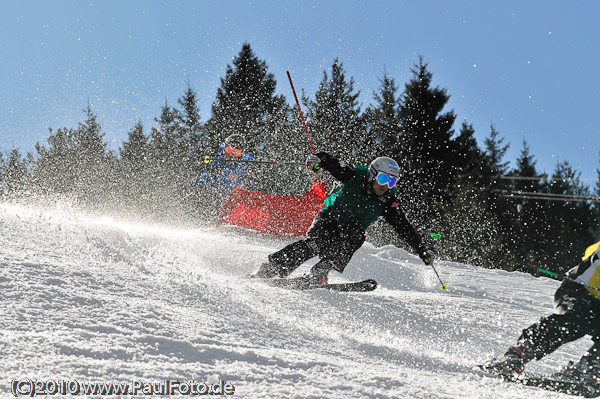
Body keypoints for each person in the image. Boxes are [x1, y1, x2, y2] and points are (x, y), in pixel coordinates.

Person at [250, 152, 435, 284]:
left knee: (357, 236)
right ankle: (273, 267)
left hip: (349, 230)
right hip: (328, 219)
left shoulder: (388, 200)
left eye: (392, 181)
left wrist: (422, 250)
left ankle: (321, 271)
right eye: (384, 178)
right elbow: (332, 163)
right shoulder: (354, 175)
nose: (386, 185)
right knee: (317, 243)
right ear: (372, 174)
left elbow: (403, 227)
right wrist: (319, 160)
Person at [481, 241, 600, 384]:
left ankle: (586, 369)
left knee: (589, 318)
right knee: (581, 319)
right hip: (576, 290)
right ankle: (518, 353)